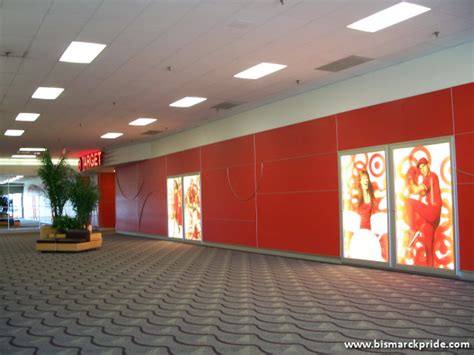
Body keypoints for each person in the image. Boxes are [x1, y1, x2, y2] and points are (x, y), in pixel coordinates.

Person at [405, 157, 442, 267]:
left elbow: (416, 190)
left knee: (410, 202)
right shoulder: (427, 180)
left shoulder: (432, 176)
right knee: (428, 249)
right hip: (432, 217)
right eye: (420, 168)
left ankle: (412, 230)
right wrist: (411, 181)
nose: (423, 170)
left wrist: (411, 179)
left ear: (428, 165)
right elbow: (419, 192)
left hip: (433, 211)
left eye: (424, 166)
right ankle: (431, 274)